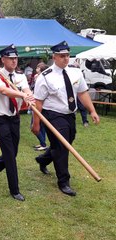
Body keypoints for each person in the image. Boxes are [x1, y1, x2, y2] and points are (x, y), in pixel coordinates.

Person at [31, 41, 100, 196]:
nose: (66, 58)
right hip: (53, 115)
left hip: (70, 115)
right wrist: (36, 124)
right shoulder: (45, 76)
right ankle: (64, 181)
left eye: (68, 55)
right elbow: (38, 102)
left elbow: (82, 93)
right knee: (63, 148)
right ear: (54, 57)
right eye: (62, 56)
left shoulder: (76, 72)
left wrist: (92, 111)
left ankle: (43, 159)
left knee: (66, 142)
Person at [0, 44, 35, 201]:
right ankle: (14, 189)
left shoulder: (20, 77)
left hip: (14, 119)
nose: (14, 61)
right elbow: (4, 91)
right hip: (1, 120)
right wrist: (22, 94)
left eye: (16, 58)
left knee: (13, 152)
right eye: (11, 58)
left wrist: (28, 96)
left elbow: (27, 90)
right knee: (9, 154)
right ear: (3, 59)